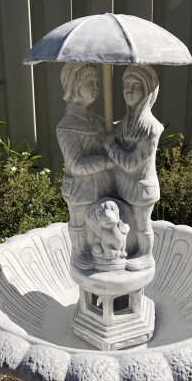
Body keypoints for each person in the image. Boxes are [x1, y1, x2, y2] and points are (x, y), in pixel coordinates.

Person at [103, 65, 164, 271]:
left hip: (142, 188)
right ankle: (127, 250)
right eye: (126, 85)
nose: (129, 90)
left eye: (136, 86)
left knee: (142, 224)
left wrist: (110, 145)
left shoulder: (150, 127)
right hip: (123, 186)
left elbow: (130, 164)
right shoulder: (126, 122)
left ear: (148, 91)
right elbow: (114, 131)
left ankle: (146, 255)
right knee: (127, 224)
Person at [57, 62, 114, 270]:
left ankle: (105, 252)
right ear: (74, 86)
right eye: (90, 82)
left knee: (104, 224)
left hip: (104, 186)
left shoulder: (98, 121)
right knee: (79, 225)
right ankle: (81, 253)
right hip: (80, 190)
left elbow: (111, 132)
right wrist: (106, 162)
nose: (96, 86)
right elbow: (76, 165)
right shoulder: (66, 126)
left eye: (98, 82)